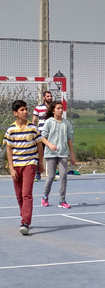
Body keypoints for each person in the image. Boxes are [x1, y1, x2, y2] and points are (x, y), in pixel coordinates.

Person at [3, 100, 44, 235]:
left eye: (26, 109)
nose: (25, 112)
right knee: (19, 195)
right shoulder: (11, 130)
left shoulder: (33, 128)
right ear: (15, 113)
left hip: (30, 164)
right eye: (22, 110)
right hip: (17, 165)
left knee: (27, 194)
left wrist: (40, 163)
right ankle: (24, 215)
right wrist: (11, 168)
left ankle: (25, 222)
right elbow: (9, 150)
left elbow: (39, 146)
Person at [40, 101, 76, 209]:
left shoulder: (67, 124)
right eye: (58, 108)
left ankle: (62, 200)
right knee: (51, 176)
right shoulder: (49, 122)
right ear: (53, 110)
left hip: (63, 153)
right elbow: (43, 137)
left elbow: (69, 140)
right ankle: (45, 196)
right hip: (51, 153)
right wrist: (50, 145)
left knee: (63, 175)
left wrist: (72, 154)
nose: (60, 110)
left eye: (62, 108)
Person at [32, 90, 53, 181]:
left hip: (52, 134)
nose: (49, 98)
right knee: (40, 154)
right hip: (41, 134)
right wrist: (34, 132)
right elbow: (34, 121)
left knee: (52, 154)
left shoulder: (54, 108)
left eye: (50, 96)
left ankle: (52, 174)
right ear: (44, 98)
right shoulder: (38, 108)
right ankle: (38, 174)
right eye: (47, 96)